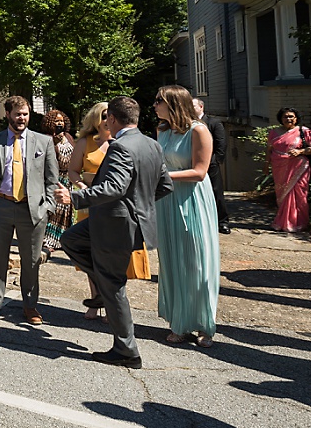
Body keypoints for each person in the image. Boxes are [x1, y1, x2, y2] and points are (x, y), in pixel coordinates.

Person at [56, 97, 174, 369]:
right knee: (70, 240)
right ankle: (100, 290)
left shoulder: (120, 147)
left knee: (115, 287)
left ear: (112, 119)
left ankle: (126, 350)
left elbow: (114, 188)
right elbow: (165, 185)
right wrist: (140, 204)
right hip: (113, 221)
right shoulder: (152, 144)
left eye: (108, 118)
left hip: (116, 225)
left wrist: (75, 198)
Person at [0, 96, 59, 325]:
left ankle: (30, 306)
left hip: (32, 210)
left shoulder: (43, 141)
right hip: (0, 206)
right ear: (8, 115)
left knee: (31, 260)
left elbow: (52, 179)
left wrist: (48, 207)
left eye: (25, 114)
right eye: (17, 114)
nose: (21, 118)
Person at [69, 102, 151, 320]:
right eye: (103, 115)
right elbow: (73, 172)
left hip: (116, 209)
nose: (107, 119)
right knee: (91, 254)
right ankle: (96, 300)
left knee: (114, 258)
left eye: (110, 115)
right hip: (89, 204)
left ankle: (113, 303)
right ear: (96, 118)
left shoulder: (123, 144)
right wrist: (81, 189)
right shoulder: (85, 142)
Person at [154, 86, 221, 348]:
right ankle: (179, 322)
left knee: (197, 261)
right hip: (167, 201)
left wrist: (162, 176)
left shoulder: (199, 130)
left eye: (159, 101)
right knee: (172, 260)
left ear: (173, 103)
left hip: (193, 200)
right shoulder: (161, 130)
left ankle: (205, 324)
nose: (155, 105)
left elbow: (200, 171)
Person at [268, 107, 311, 232]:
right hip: (279, 167)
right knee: (282, 194)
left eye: (291, 116)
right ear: (280, 118)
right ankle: (283, 222)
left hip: (299, 167)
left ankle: (298, 223)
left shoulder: (304, 131)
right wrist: (266, 165)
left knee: (299, 194)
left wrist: (300, 151)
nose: (288, 119)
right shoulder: (274, 132)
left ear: (296, 118)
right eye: (285, 116)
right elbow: (269, 150)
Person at [39, 109, 76, 263]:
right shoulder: (47, 139)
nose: (59, 123)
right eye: (56, 121)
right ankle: (49, 240)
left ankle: (62, 239)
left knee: (66, 210)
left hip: (68, 177)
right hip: (55, 177)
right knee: (55, 210)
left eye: (61, 120)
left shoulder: (68, 137)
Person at [193, 98, 232, 234]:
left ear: (201, 107)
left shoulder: (213, 122)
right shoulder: (188, 124)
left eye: (193, 106)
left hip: (211, 164)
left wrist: (216, 161)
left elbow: (221, 143)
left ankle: (223, 222)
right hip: (194, 164)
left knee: (216, 192)